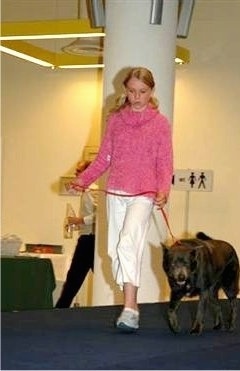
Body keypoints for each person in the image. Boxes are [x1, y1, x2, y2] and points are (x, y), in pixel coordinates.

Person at [69, 67, 173, 332]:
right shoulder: (115, 120)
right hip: (116, 192)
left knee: (128, 242)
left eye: (143, 92)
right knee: (114, 252)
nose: (137, 97)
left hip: (144, 194)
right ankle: (129, 302)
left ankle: (130, 308)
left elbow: (165, 161)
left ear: (151, 92)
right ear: (125, 91)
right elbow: (104, 157)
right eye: (132, 91)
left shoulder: (160, 123)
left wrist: (163, 190)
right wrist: (81, 181)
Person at [55, 160, 98, 308]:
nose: (75, 174)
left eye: (78, 171)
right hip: (88, 238)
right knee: (75, 276)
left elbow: (100, 217)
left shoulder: (93, 191)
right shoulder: (88, 191)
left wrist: (79, 220)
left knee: (74, 277)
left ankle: (61, 308)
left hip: (90, 240)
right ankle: (61, 307)